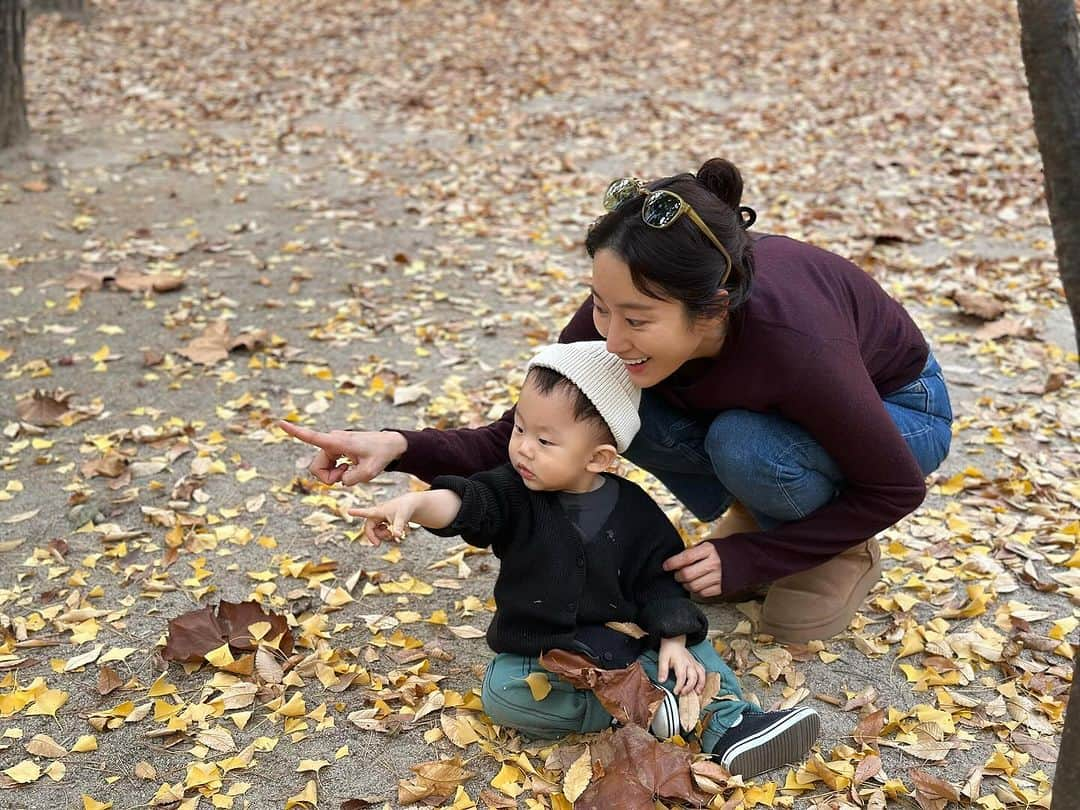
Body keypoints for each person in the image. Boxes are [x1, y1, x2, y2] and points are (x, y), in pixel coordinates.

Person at [279, 157, 953, 644]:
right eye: (600, 306)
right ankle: (768, 512)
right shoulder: (625, 305)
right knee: (607, 412)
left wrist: (754, 560)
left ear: (712, 309)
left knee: (744, 443)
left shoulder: (798, 344)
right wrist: (398, 446)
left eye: (635, 318)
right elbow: (536, 427)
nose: (610, 334)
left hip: (899, 408)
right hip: (768, 415)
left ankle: (834, 545)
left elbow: (894, 486)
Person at [288, 341, 819, 777]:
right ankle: (640, 709)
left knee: (697, 654)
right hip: (547, 652)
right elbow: (469, 505)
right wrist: (415, 502)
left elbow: (660, 585)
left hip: (628, 640)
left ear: (599, 458)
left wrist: (675, 641)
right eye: (520, 428)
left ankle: (731, 723)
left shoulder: (636, 512)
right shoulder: (512, 491)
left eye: (545, 440)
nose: (523, 449)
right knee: (503, 694)